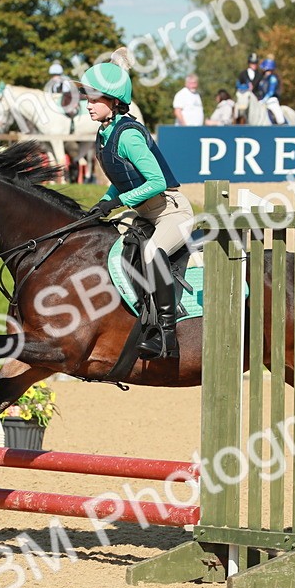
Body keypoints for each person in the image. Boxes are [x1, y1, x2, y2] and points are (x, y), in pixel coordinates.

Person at [77, 54, 194, 360]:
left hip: (171, 212)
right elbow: (123, 177)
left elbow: (156, 181)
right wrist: (104, 202)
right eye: (88, 98)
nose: (88, 104)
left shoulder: (128, 135)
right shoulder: (105, 133)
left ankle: (166, 334)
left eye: (94, 99)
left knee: (152, 252)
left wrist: (118, 202)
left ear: (114, 101)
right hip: (145, 213)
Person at [257, 57, 287, 125]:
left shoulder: (273, 79)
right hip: (261, 101)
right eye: (266, 70)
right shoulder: (262, 80)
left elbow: (271, 92)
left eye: (269, 70)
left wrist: (264, 100)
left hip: (272, 101)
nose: (267, 72)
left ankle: (285, 128)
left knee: (280, 119)